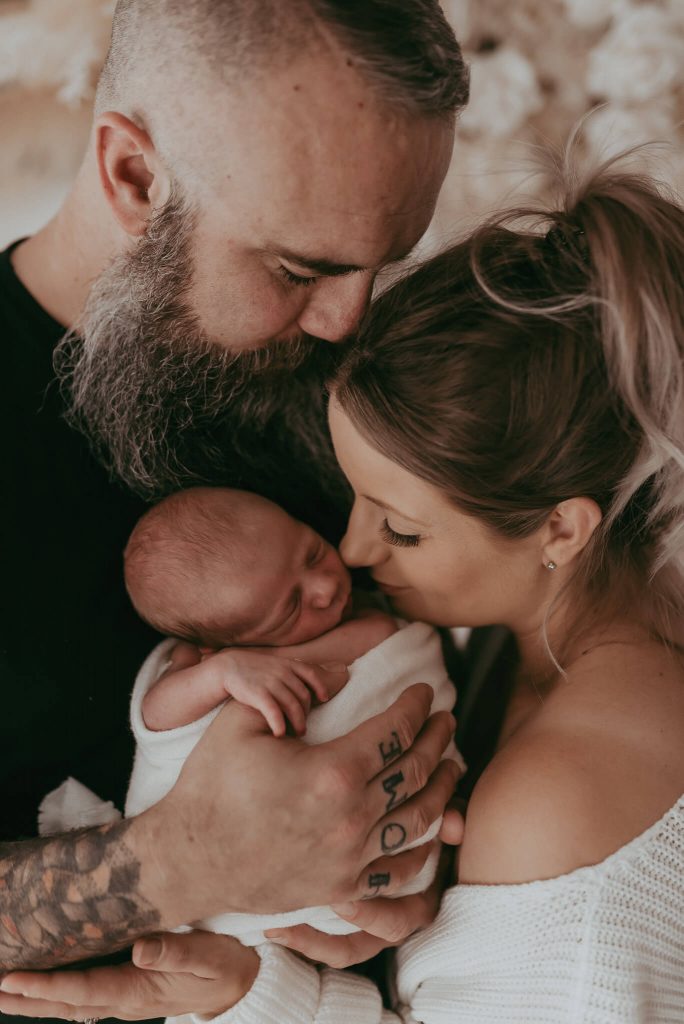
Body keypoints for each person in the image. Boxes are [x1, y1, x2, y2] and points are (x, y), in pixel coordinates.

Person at [17, 156, 680, 1021]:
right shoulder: (528, 647)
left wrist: (249, 996)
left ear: (561, 528)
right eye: (356, 497)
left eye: (401, 527)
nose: (354, 550)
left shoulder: (556, 811)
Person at [0, 0, 470, 1008]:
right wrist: (188, 863)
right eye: (300, 269)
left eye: (380, 264)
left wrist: (411, 875)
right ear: (134, 175)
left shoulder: (363, 388)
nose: (351, 318)